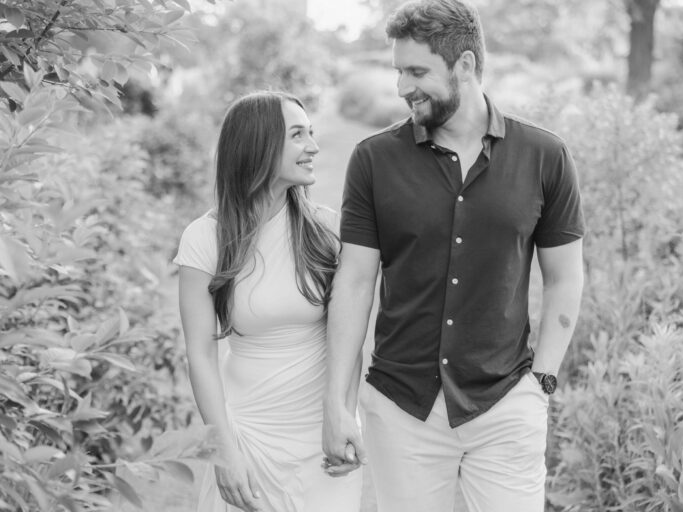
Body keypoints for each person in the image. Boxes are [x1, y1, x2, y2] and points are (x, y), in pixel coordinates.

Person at [321, 1, 586, 511]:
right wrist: (337, 402)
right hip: (402, 408)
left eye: (417, 72)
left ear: (464, 65)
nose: (402, 87)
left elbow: (565, 277)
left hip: (506, 403)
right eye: (398, 71)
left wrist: (542, 381)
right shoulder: (374, 160)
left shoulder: (545, 156)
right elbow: (353, 282)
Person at [174, 91, 362, 512]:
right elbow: (200, 355)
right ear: (259, 145)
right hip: (248, 434)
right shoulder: (205, 239)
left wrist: (345, 415)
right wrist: (223, 450)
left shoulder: (328, 231)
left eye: (311, 133)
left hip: (322, 435)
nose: (313, 146)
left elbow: (349, 339)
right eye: (298, 135)